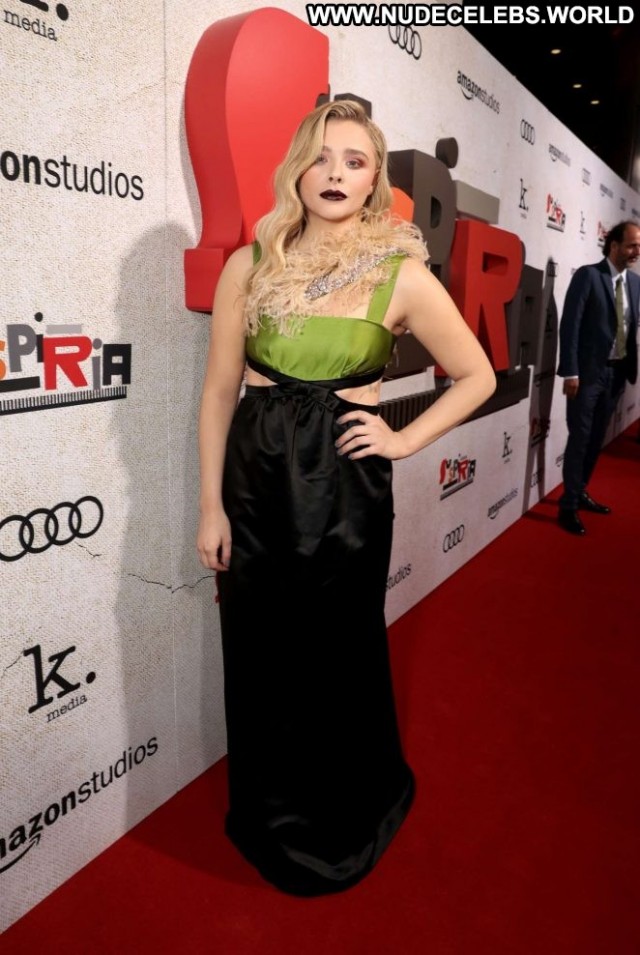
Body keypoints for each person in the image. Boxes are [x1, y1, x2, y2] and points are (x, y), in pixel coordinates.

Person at [196, 99, 496, 896]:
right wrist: (210, 506)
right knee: (260, 653)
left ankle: (337, 822)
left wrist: (401, 438)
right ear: (297, 168)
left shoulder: (401, 272)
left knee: (338, 651)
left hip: (344, 491)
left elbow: (477, 375)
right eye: (322, 157)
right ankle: (269, 816)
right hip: (255, 486)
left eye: (355, 161)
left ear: (374, 182)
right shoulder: (250, 264)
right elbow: (220, 391)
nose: (335, 173)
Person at [557, 220, 640, 535]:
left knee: (595, 439)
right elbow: (571, 326)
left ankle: (579, 492)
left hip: (616, 374)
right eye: (632, 245)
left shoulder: (635, 283)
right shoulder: (589, 276)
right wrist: (571, 371)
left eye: (639, 246)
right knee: (579, 438)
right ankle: (567, 507)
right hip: (587, 375)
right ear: (614, 245)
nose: (637, 251)